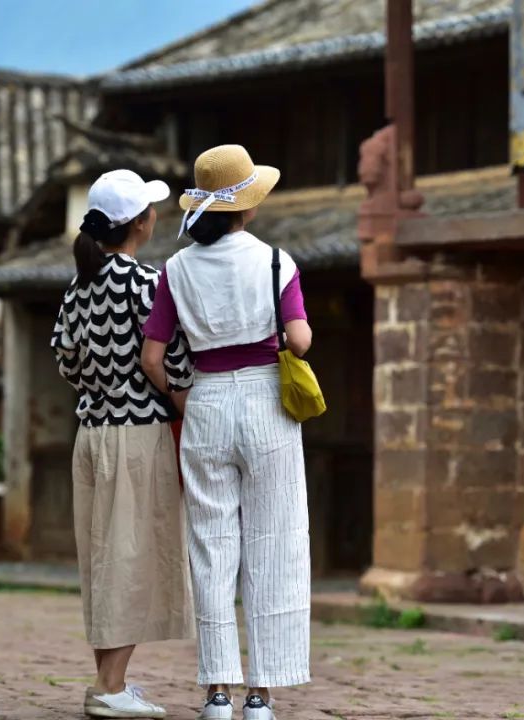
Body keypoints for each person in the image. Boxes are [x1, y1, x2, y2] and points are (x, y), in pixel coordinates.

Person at [141, 145, 312, 720]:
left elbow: (152, 356)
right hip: (267, 400)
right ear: (248, 206)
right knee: (273, 539)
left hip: (207, 402)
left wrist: (180, 395)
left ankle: (217, 690)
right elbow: (300, 338)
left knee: (211, 546)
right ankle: (261, 694)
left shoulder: (176, 269)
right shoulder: (275, 263)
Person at [52, 169, 194, 719]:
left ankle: (109, 681)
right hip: (138, 436)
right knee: (131, 558)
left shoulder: (77, 285)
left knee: (103, 560)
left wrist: (100, 386)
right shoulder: (146, 282)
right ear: (140, 222)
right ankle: (110, 688)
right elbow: (172, 361)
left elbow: (64, 357)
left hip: (91, 435)